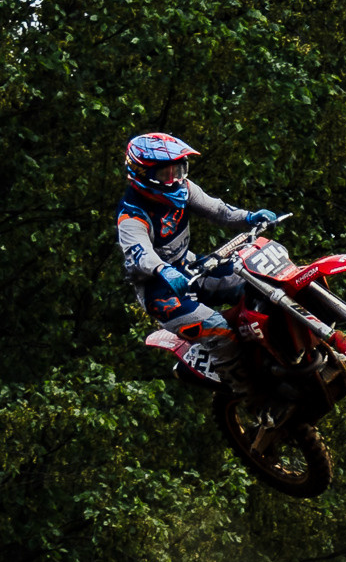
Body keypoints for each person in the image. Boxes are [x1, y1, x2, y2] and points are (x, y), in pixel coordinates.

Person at [115, 133, 280, 391]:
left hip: (189, 267)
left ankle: (275, 352)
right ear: (142, 174)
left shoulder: (185, 188)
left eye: (179, 170)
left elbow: (219, 210)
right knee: (217, 328)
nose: (175, 179)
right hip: (160, 292)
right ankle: (250, 392)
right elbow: (139, 253)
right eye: (166, 174)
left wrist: (250, 217)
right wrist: (162, 270)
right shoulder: (132, 215)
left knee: (257, 279)